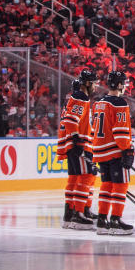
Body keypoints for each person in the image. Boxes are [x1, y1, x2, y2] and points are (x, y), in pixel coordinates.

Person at [91, 70, 135, 235]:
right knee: (120, 186)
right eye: (123, 83)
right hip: (114, 151)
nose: (125, 86)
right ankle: (115, 220)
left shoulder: (99, 102)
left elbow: (95, 127)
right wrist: (127, 149)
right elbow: (121, 130)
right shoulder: (119, 103)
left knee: (106, 185)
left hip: (100, 151)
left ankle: (102, 221)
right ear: (118, 84)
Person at [56, 70, 97, 231]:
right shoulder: (81, 97)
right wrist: (76, 138)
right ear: (87, 83)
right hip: (79, 144)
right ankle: (78, 214)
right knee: (86, 176)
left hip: (72, 144)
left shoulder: (75, 97)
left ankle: (70, 213)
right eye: (93, 82)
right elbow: (71, 119)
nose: (95, 86)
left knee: (74, 178)